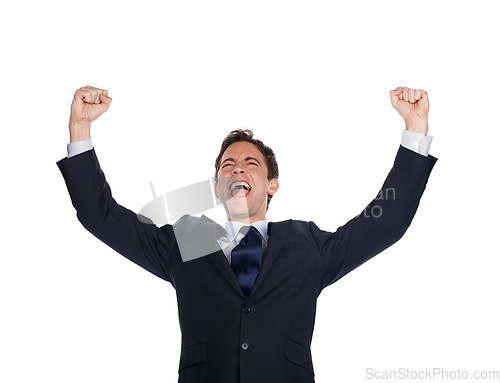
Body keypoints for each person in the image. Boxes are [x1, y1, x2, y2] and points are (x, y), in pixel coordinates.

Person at [56, 85, 437, 383]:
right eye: (228, 165)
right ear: (218, 186)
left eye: (250, 163)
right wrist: (80, 128)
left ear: (271, 184)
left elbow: (384, 222)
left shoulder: (307, 245)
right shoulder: (185, 240)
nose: (237, 169)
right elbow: (100, 215)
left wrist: (415, 130)